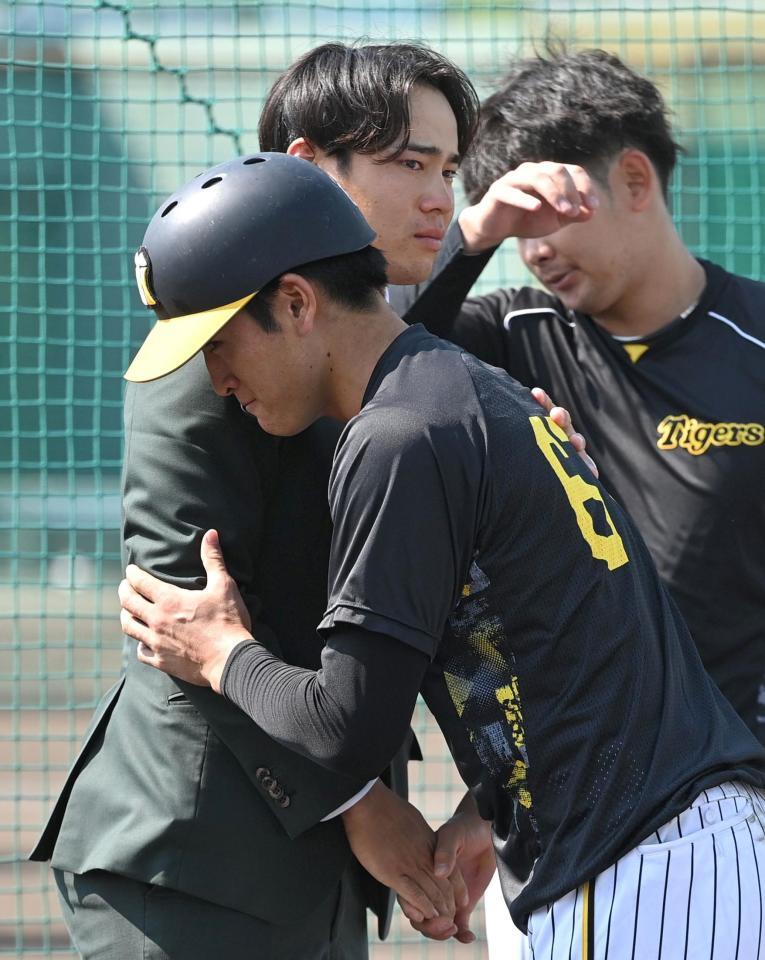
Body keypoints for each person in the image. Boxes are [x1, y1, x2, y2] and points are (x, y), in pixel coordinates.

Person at [119, 151, 765, 960]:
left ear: (294, 303)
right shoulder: (460, 392)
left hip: (640, 866)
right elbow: (548, 648)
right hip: (656, 850)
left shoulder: (401, 434)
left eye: (218, 342)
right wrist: (489, 796)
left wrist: (220, 653)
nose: (216, 379)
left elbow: (343, 726)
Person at [31, 41, 591, 956]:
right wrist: (359, 802)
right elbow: (183, 620)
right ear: (304, 170)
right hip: (191, 857)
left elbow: (404, 353)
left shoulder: (369, 349)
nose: (436, 196)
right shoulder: (213, 345)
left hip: (319, 870)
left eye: (448, 169)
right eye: (408, 163)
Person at [388, 48, 765, 952]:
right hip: (561, 817)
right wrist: (469, 237)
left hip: (731, 805)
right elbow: (372, 359)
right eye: (516, 226)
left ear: (633, 177)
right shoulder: (505, 336)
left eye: (546, 211)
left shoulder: (752, 340)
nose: (535, 250)